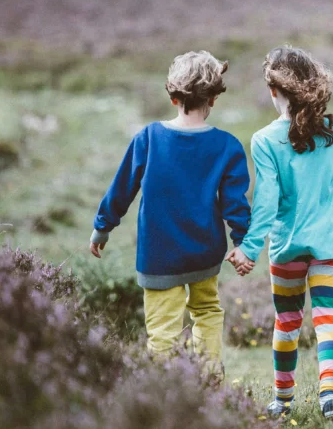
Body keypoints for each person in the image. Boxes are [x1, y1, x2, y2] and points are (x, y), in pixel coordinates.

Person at [228, 46, 333, 420]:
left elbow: (265, 202)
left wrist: (250, 248)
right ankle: (330, 394)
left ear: (273, 91)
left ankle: (282, 400)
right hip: (331, 246)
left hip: (286, 248)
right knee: (328, 318)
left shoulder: (265, 140)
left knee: (287, 322)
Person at [89, 50, 251, 373]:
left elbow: (122, 188)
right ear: (214, 99)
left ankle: (167, 393)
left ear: (172, 95)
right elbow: (236, 204)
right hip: (206, 254)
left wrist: (103, 226)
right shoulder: (227, 146)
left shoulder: (148, 138)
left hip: (158, 256)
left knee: (162, 331)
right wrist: (242, 242)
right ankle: (207, 381)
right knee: (206, 311)